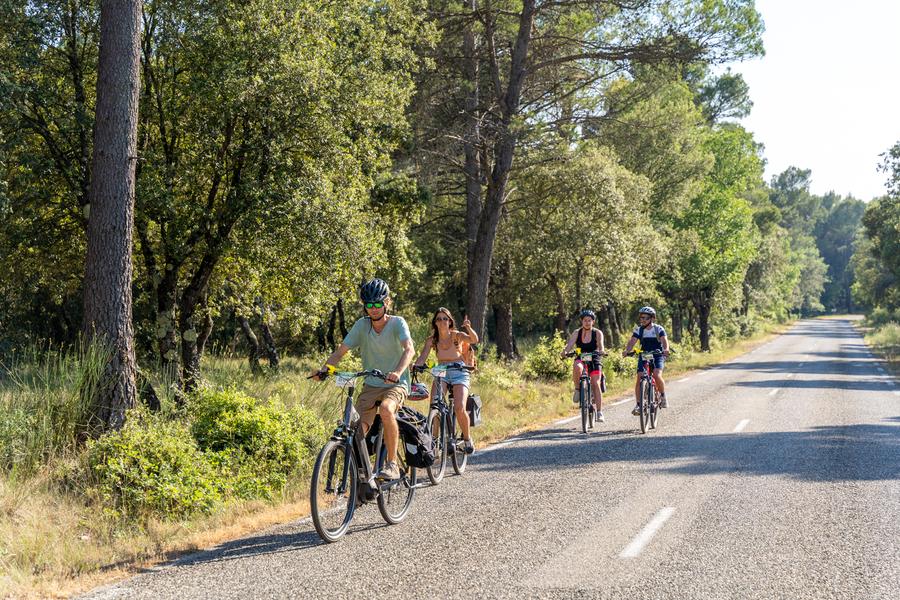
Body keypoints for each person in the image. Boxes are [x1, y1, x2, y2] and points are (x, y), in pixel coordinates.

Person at [312, 279, 415, 480]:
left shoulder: (397, 323)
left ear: (387, 303)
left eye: (378, 304)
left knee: (386, 409)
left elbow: (409, 349)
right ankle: (362, 474)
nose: (374, 309)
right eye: (369, 305)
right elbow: (340, 352)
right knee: (354, 428)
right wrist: (325, 369)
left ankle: (392, 464)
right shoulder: (361, 325)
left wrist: (397, 371)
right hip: (371, 384)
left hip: (396, 383)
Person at [413, 307, 479, 454]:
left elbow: (474, 339)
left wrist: (468, 327)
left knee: (459, 407)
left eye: (445, 318)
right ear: (435, 323)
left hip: (459, 370)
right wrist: (416, 365)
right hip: (441, 371)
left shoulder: (457, 335)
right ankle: (434, 442)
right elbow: (423, 356)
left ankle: (467, 439)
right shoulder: (432, 340)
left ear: (450, 322)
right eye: (439, 319)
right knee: (435, 405)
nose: (442, 321)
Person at [621, 306, 670, 415]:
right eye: (641, 317)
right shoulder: (639, 330)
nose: (642, 320)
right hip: (644, 355)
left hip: (657, 355)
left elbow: (664, 340)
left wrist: (666, 349)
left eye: (645, 318)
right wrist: (627, 350)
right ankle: (639, 405)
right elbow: (632, 341)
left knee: (657, 375)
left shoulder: (658, 329)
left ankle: (662, 396)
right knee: (639, 377)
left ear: (652, 319)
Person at [561, 309, 606, 422]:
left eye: (589, 320)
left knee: (596, 383)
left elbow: (601, 346)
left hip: (594, 357)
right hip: (581, 356)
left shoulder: (597, 333)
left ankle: (599, 412)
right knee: (577, 367)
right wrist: (565, 351)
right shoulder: (577, 332)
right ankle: (577, 389)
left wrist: (601, 351)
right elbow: (570, 345)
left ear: (593, 322)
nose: (587, 322)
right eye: (585, 320)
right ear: (582, 321)